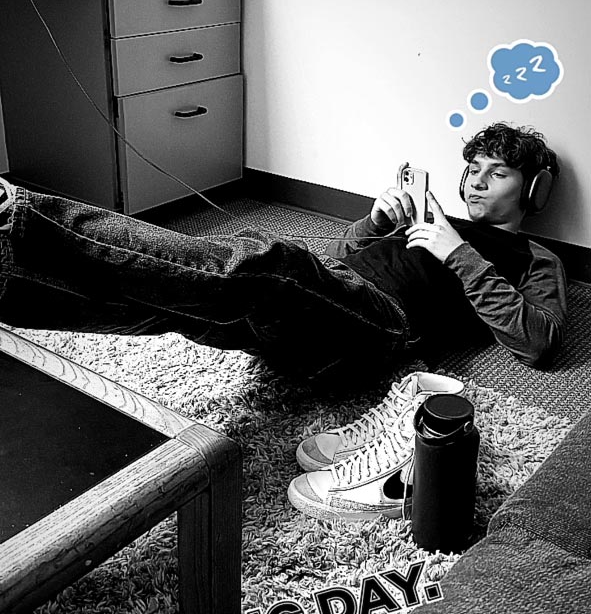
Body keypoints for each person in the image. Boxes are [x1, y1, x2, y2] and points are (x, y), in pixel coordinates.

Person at [0, 122, 567, 521]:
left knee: (273, 263)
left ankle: (22, 218)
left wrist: (456, 254)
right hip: (319, 308)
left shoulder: (534, 258)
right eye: (473, 168)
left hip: (380, 328)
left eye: (497, 173)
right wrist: (375, 223)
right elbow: (341, 255)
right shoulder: (431, 215)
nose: (476, 181)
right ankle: (10, 283)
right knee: (179, 303)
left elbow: (538, 341)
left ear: (533, 190)